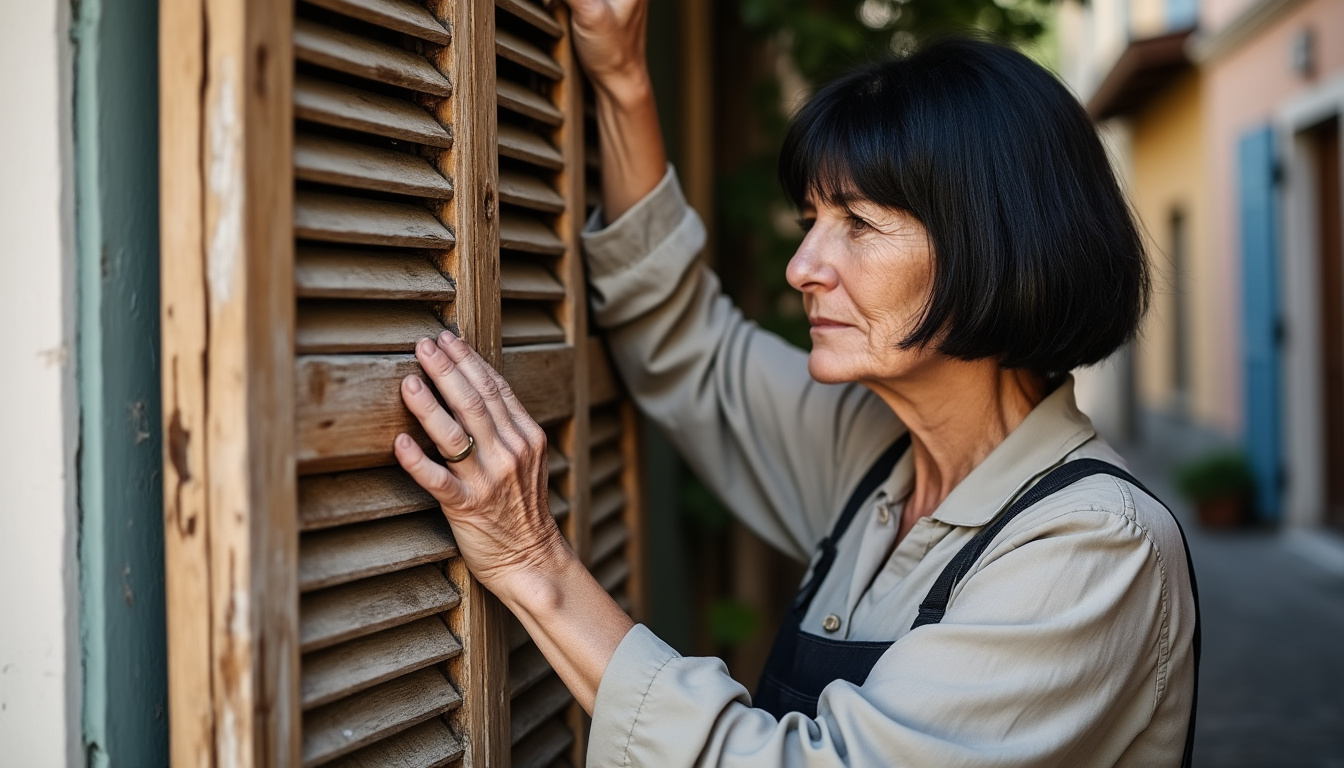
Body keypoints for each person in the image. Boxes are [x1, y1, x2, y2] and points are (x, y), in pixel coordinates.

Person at [390, 2, 1199, 765]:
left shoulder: (1094, 548)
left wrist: (534, 561)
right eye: (812, 220)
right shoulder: (877, 453)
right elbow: (689, 350)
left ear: (995, 249)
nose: (804, 267)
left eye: (858, 223)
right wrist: (624, 75)